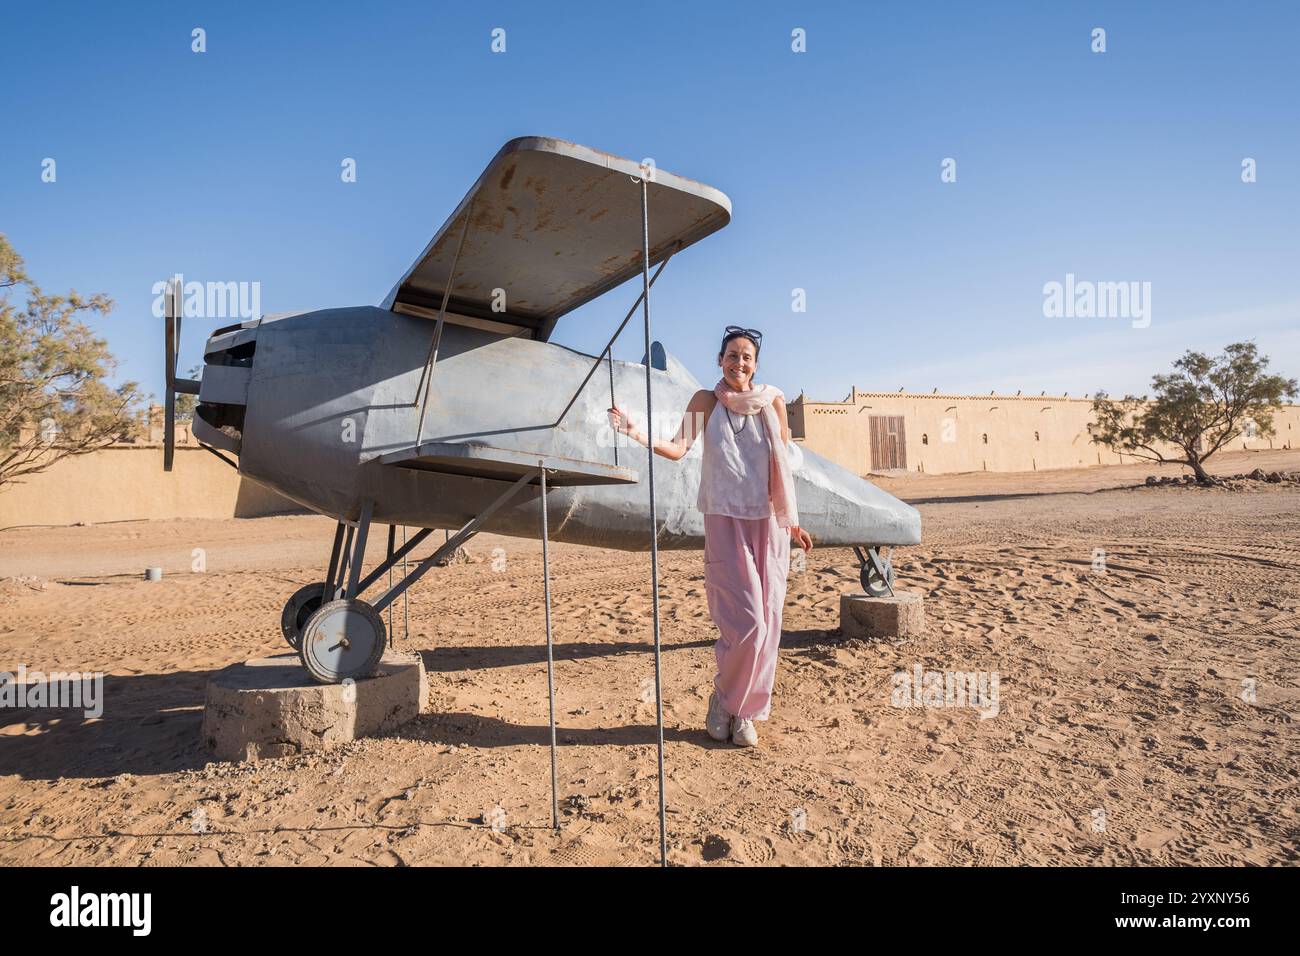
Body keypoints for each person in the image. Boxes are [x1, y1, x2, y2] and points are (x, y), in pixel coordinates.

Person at [608, 325, 813, 747]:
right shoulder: (705, 401)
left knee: (770, 622)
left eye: (748, 357)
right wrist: (634, 432)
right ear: (720, 360)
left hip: (769, 523)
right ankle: (724, 698)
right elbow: (679, 447)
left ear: (756, 365)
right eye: (733, 355)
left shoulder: (773, 401)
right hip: (724, 519)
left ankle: (744, 713)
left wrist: (793, 521)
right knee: (746, 621)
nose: (740, 363)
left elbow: (783, 466)